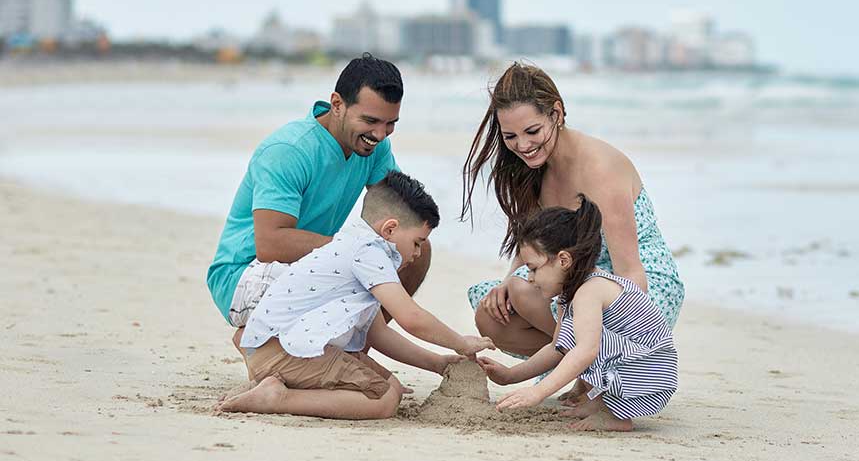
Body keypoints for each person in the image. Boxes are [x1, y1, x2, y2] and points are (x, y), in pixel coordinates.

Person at [462, 62, 684, 401]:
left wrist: (623, 336)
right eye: (511, 137)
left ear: (557, 112)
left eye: (532, 131)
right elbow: (535, 245)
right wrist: (508, 281)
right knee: (494, 311)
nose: (523, 145)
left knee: (527, 292)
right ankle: (586, 364)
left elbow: (631, 273)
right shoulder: (533, 168)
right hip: (576, 275)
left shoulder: (598, 168)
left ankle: (599, 377)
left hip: (637, 288)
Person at [215, 171, 495, 419]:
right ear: (390, 229)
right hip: (283, 351)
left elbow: (377, 333)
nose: (418, 253)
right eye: (417, 242)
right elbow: (411, 317)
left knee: (393, 386)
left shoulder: (353, 243)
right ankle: (278, 398)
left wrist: (436, 362)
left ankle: (275, 383)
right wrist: (460, 343)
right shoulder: (368, 253)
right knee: (384, 400)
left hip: (276, 347)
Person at [207, 53, 430, 339]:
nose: (380, 134)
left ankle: (355, 345)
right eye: (371, 120)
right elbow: (270, 244)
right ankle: (264, 347)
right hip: (245, 274)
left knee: (416, 248)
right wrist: (355, 249)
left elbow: (402, 217)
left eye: (390, 123)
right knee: (363, 258)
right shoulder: (289, 151)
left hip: (311, 263)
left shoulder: (375, 148)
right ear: (337, 105)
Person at [478, 195, 678, 432]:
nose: (529, 277)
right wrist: (511, 375)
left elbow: (585, 351)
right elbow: (557, 348)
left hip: (650, 373)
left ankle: (615, 415)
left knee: (585, 343)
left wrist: (538, 392)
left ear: (563, 260)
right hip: (636, 368)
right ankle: (603, 403)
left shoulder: (590, 290)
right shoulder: (569, 294)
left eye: (533, 268)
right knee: (572, 338)